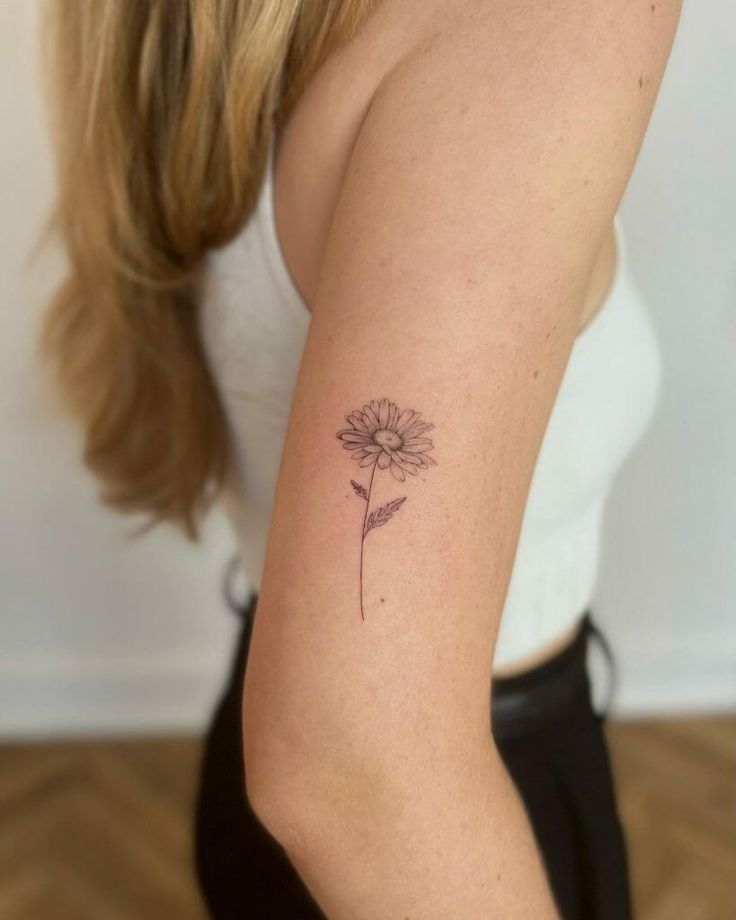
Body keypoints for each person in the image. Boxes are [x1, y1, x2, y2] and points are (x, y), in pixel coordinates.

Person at [36, 1, 682, 917]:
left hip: (276, 785)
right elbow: (353, 759)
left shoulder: (201, 37)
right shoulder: (540, 22)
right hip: (440, 834)